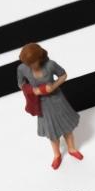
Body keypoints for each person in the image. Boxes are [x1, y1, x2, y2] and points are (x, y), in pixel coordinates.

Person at [17, 42, 84, 170]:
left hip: (58, 100)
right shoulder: (22, 68)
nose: (30, 66)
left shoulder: (50, 65)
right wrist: (33, 90)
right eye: (28, 64)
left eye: (32, 63)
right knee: (52, 133)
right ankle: (57, 155)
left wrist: (53, 86)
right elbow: (21, 84)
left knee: (67, 128)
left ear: (39, 58)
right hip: (42, 104)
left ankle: (71, 149)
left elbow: (63, 75)